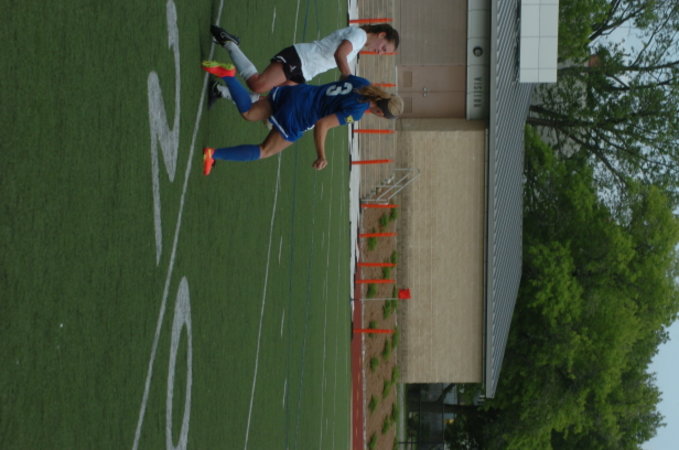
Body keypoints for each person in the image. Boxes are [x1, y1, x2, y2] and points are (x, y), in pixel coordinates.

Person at [200, 61, 403, 175]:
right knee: (265, 150)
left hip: (298, 93)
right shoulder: (357, 112)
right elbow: (322, 124)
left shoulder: (363, 83)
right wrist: (322, 155)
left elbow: (344, 78)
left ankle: (228, 75)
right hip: (299, 116)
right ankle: (213, 154)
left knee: (250, 113)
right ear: (380, 113)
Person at [207, 23, 399, 104]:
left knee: (272, 103)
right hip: (300, 59)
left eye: (384, 53)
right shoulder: (360, 35)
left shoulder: (359, 44)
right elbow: (340, 54)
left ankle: (219, 91)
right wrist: (349, 79)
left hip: (304, 72)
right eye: (383, 47)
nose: (380, 52)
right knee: (257, 85)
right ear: (381, 34)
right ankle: (230, 44)